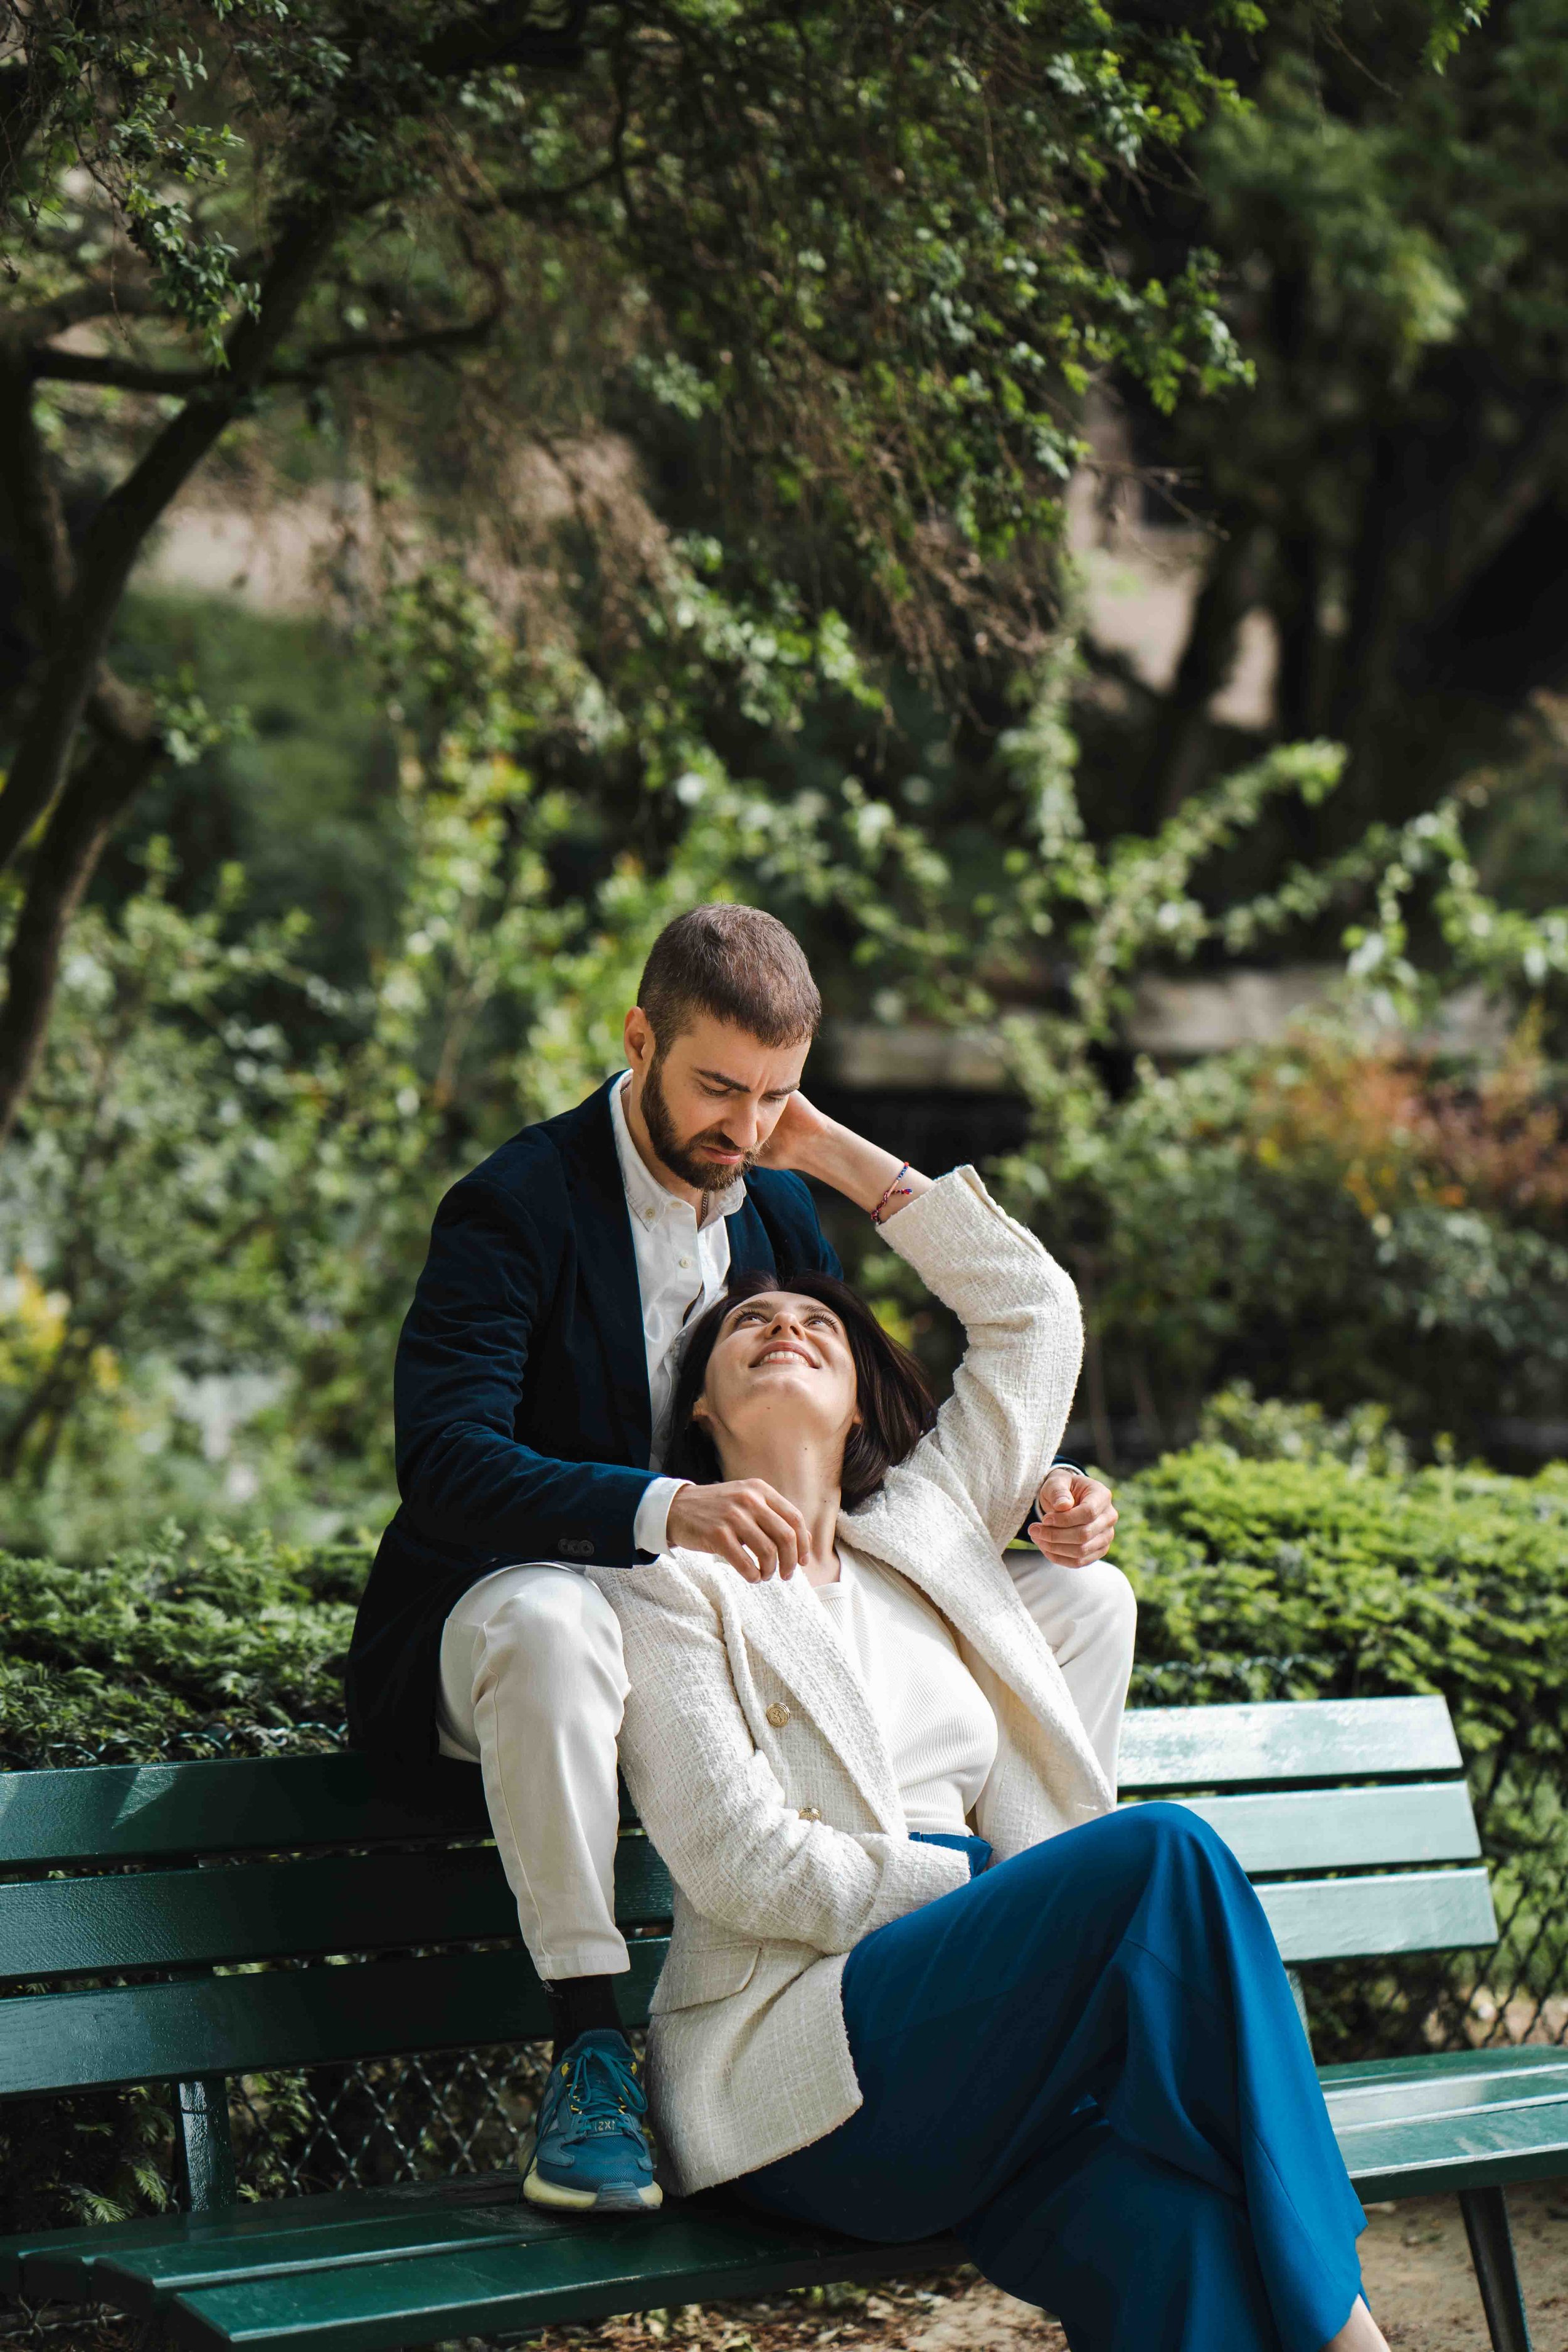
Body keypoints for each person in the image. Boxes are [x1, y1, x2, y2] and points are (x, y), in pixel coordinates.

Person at [345, 903, 1126, 2214]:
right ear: (639, 1038)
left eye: (776, 1096)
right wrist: (662, 1511)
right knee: (553, 1620)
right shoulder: (511, 1208)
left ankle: (1041, 1916)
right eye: (718, 1087)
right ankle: (587, 2043)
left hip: (726, 1620)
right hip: (516, 1620)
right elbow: (447, 1467)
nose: (745, 1128)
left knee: (1081, 1598)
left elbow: (847, 1448)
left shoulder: (772, 1199)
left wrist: (1018, 1505)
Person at [596, 1149, 1391, 2352]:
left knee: (1174, 2228)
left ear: (863, 1392)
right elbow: (744, 1865)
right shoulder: (671, 1586)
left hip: (988, 2061)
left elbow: (1033, 1313)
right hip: (795, 2078)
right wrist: (982, 1884)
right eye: (747, 1323)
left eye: (818, 1319)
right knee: (1161, 1853)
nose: (786, 1326)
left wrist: (813, 1138)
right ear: (699, 1404)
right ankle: (1360, 2339)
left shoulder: (927, 1531)